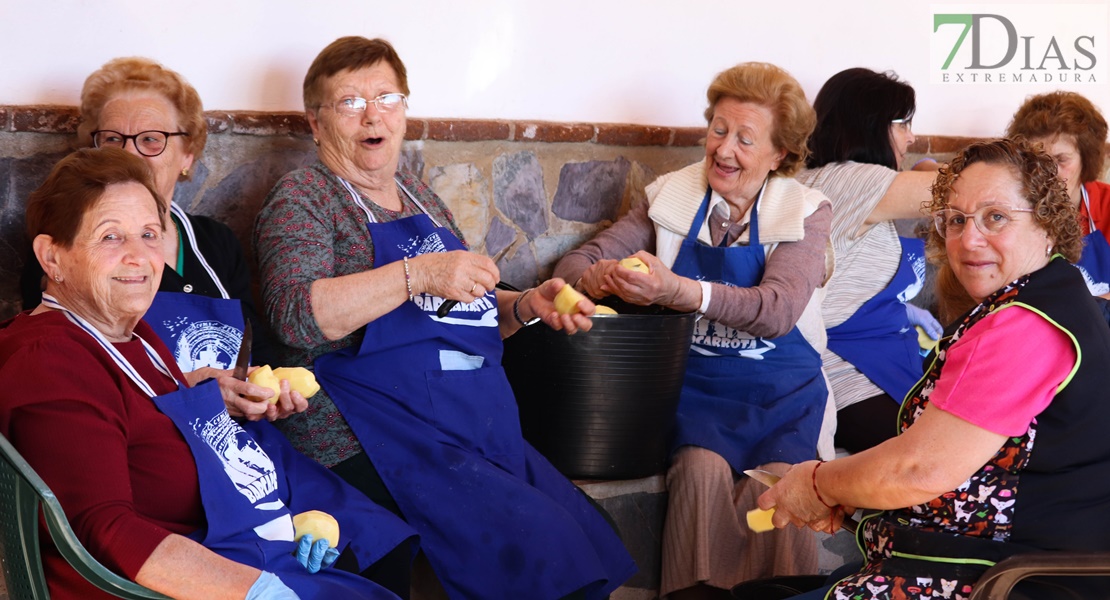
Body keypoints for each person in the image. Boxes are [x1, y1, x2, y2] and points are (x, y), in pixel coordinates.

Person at [253, 36, 635, 599]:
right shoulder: (304, 197)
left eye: (385, 96)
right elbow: (297, 318)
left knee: (590, 534)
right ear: (316, 123)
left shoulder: (420, 196)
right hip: (364, 428)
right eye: (350, 103)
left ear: (404, 109)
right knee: (540, 544)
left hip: (460, 419)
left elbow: (462, 312)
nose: (372, 114)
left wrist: (526, 305)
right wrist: (418, 274)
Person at [0, 147, 418, 600]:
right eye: (110, 237)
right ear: (52, 257)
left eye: (149, 233)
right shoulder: (51, 359)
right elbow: (102, 528)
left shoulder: (132, 335)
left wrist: (278, 523)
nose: (140, 257)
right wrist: (260, 592)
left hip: (236, 547)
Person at [761, 138, 1110, 600]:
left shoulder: (1026, 324)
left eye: (996, 217)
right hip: (982, 565)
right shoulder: (1045, 296)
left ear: (1047, 225)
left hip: (1002, 582)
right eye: (956, 219)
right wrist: (855, 490)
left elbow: (917, 470)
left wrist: (817, 483)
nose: (969, 238)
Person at [553, 62, 833, 599]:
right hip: (696, 393)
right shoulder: (671, 197)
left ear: (779, 155)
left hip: (783, 395)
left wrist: (677, 290)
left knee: (779, 487)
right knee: (699, 472)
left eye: (746, 139)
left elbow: (777, 310)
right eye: (719, 130)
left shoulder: (806, 210)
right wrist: (599, 276)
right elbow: (571, 267)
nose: (724, 150)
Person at [18, 57, 291, 420]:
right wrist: (188, 391)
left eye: (151, 139)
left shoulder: (215, 242)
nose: (129, 154)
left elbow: (260, 351)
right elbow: (69, 378)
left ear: (187, 156)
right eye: (113, 139)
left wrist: (270, 390)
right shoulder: (65, 248)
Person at [795, 68, 942, 454]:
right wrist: (927, 165)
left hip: (878, 361)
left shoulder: (834, 179)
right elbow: (970, 192)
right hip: (850, 376)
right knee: (941, 457)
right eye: (904, 124)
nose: (911, 137)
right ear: (871, 125)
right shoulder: (850, 180)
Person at [1006, 90, 1110, 297]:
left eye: (1061, 159)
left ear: (1086, 161)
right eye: (1037, 159)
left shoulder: (1107, 205)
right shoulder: (1013, 209)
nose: (1048, 171)